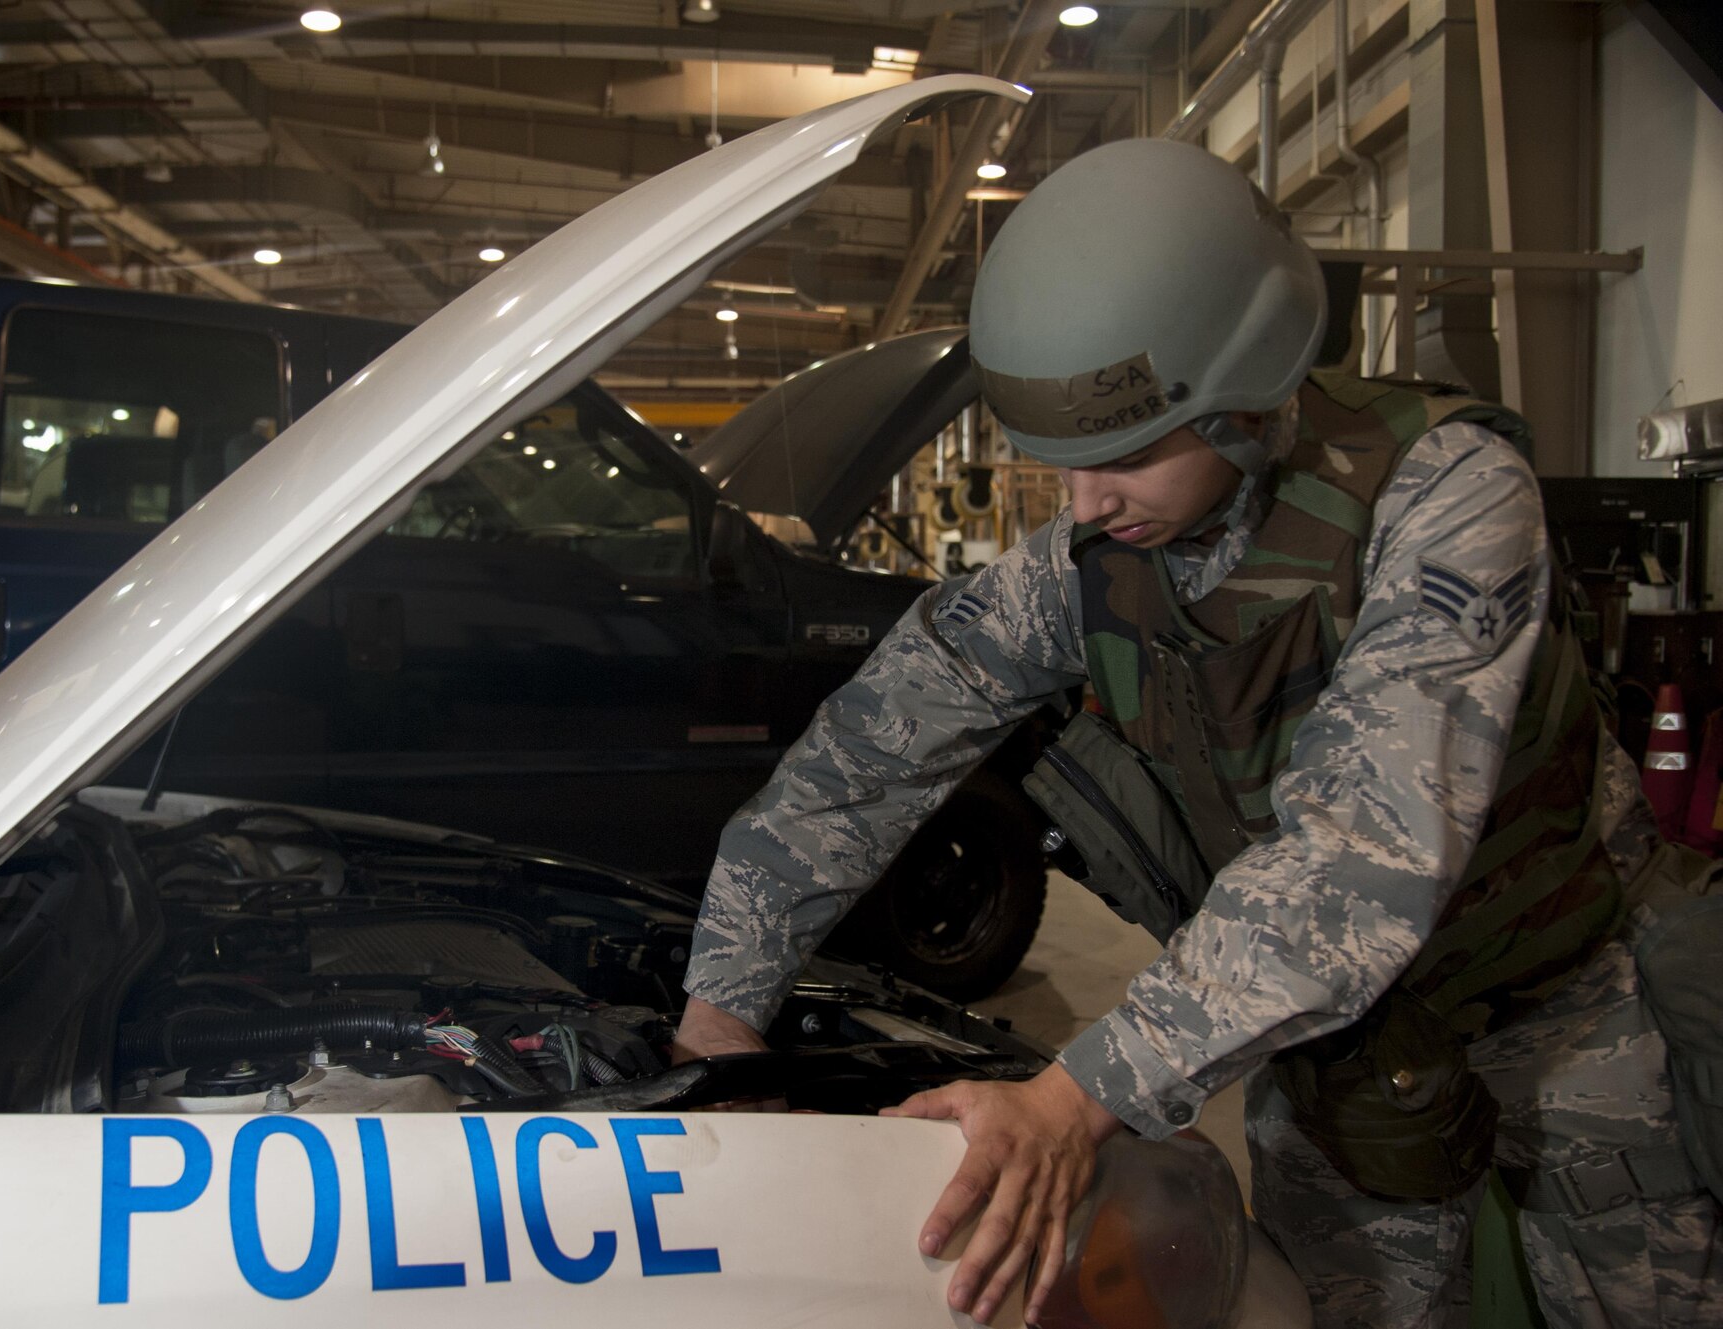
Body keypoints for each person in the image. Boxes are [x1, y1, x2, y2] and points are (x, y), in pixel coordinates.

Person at [671, 137, 1721, 1329]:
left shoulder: (1449, 499)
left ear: (1245, 394)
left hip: (1562, 1004)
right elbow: (862, 760)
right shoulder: (1086, 566)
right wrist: (722, 1016)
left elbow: (1354, 863)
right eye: (1058, 466)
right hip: (1350, 1050)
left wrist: (1076, 1100)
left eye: (1120, 457)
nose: (1083, 505)